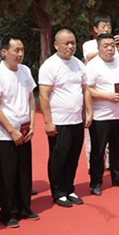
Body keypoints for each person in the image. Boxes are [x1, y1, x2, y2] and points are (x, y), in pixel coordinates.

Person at [0, 34, 39, 228]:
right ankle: (8, 212)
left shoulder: (25, 71)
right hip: (4, 134)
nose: (20, 54)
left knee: (24, 171)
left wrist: (32, 124)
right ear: (4, 52)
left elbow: (31, 99)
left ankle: (25, 207)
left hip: (25, 130)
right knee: (6, 174)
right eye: (16, 50)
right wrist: (11, 130)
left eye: (22, 50)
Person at [39, 29, 90, 207]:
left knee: (73, 157)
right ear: (56, 45)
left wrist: (88, 112)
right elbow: (44, 95)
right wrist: (48, 122)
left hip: (76, 120)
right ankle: (58, 191)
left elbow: (85, 90)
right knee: (58, 157)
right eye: (66, 43)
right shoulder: (49, 66)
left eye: (73, 43)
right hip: (59, 122)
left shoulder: (78, 64)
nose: (70, 47)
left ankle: (69, 188)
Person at [84, 33, 119, 195]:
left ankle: (117, 176)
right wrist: (107, 96)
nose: (109, 49)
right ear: (98, 48)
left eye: (111, 45)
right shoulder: (92, 66)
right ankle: (96, 182)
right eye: (105, 46)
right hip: (101, 116)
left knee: (116, 148)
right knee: (98, 151)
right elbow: (87, 89)